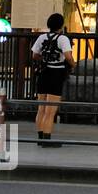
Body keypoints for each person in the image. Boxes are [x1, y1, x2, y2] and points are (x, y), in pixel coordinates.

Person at [31, 12, 74, 147]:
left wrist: (44, 59)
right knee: (51, 110)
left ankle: (40, 137)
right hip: (56, 73)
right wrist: (73, 64)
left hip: (44, 72)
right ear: (61, 25)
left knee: (41, 108)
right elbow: (67, 56)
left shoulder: (41, 37)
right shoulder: (63, 39)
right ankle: (47, 139)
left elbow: (34, 55)